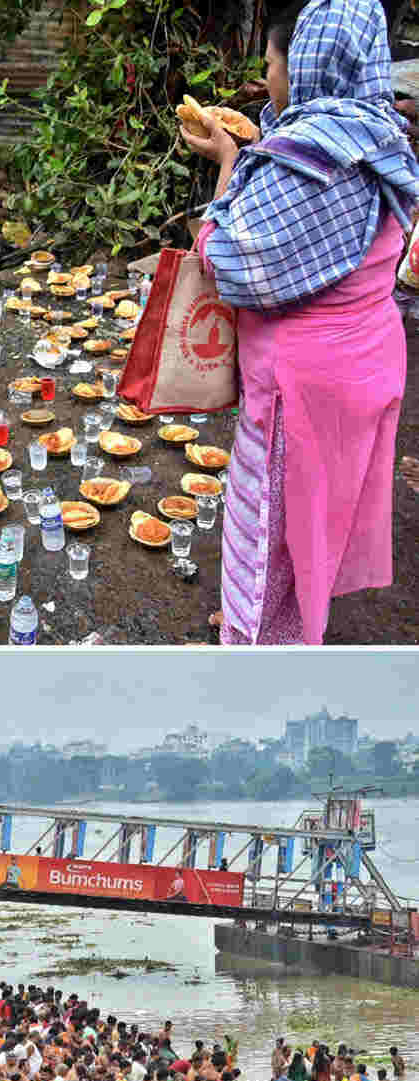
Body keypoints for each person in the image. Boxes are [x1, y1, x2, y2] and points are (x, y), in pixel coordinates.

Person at [181, 0, 419, 644]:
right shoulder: (380, 136)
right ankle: (261, 619)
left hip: (305, 382)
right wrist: (240, 155)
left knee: (270, 523)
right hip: (365, 359)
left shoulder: (310, 157)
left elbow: (231, 257)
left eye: (271, 63)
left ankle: (258, 655)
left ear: (307, 61)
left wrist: (229, 169)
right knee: (314, 516)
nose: (267, 79)